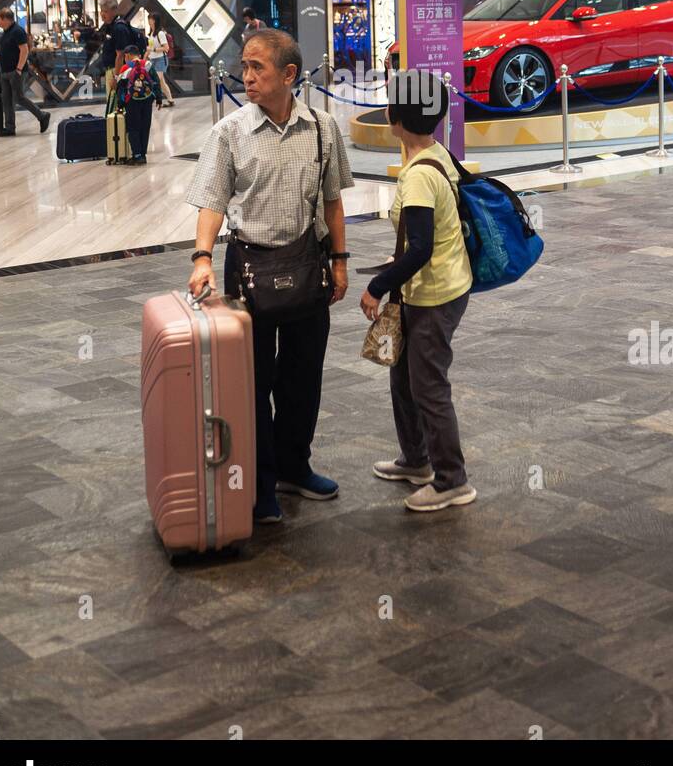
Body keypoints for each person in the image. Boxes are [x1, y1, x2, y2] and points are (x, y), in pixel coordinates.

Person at [186, 29, 353, 524]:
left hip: (306, 266)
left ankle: (294, 466)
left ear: (289, 74)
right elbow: (212, 202)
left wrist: (340, 261)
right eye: (245, 66)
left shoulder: (322, 129)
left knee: (304, 377)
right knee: (252, 383)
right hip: (248, 271)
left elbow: (333, 201)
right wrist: (201, 259)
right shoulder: (230, 132)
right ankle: (260, 487)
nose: (247, 75)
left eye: (258, 67)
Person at [360, 71, 476, 513]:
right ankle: (415, 460)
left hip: (435, 294)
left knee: (428, 385)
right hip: (427, 289)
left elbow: (423, 248)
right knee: (403, 377)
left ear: (394, 116)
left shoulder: (418, 177)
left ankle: (451, 480)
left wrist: (376, 286)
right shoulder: (433, 153)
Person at [0, 7, 50, 137]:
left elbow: (24, 50)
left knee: (19, 98)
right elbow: (5, 52)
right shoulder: (5, 32)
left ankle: (42, 116)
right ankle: (9, 127)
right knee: (6, 99)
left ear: (5, 19)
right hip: (5, 71)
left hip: (16, 71)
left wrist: (18, 69)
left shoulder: (17, 31)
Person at [116, 45, 162, 165]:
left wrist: (120, 104)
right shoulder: (148, 65)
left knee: (133, 127)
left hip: (132, 102)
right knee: (144, 126)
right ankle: (142, 154)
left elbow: (120, 88)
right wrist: (159, 98)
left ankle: (136, 155)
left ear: (128, 55)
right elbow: (156, 81)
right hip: (147, 100)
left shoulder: (126, 68)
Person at [99, 0, 132, 96]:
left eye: (105, 11)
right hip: (111, 71)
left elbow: (120, 55)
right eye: (101, 11)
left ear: (114, 11)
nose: (102, 14)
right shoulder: (110, 27)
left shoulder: (119, 28)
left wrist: (117, 78)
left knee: (115, 104)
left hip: (116, 71)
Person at [145, 13, 175, 106]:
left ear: (155, 20)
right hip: (152, 60)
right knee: (161, 82)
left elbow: (166, 48)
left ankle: (154, 99)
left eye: (151, 19)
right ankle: (170, 100)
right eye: (149, 18)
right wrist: (144, 58)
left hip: (160, 59)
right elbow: (149, 49)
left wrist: (153, 49)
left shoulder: (160, 33)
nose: (149, 21)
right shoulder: (151, 34)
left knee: (156, 79)